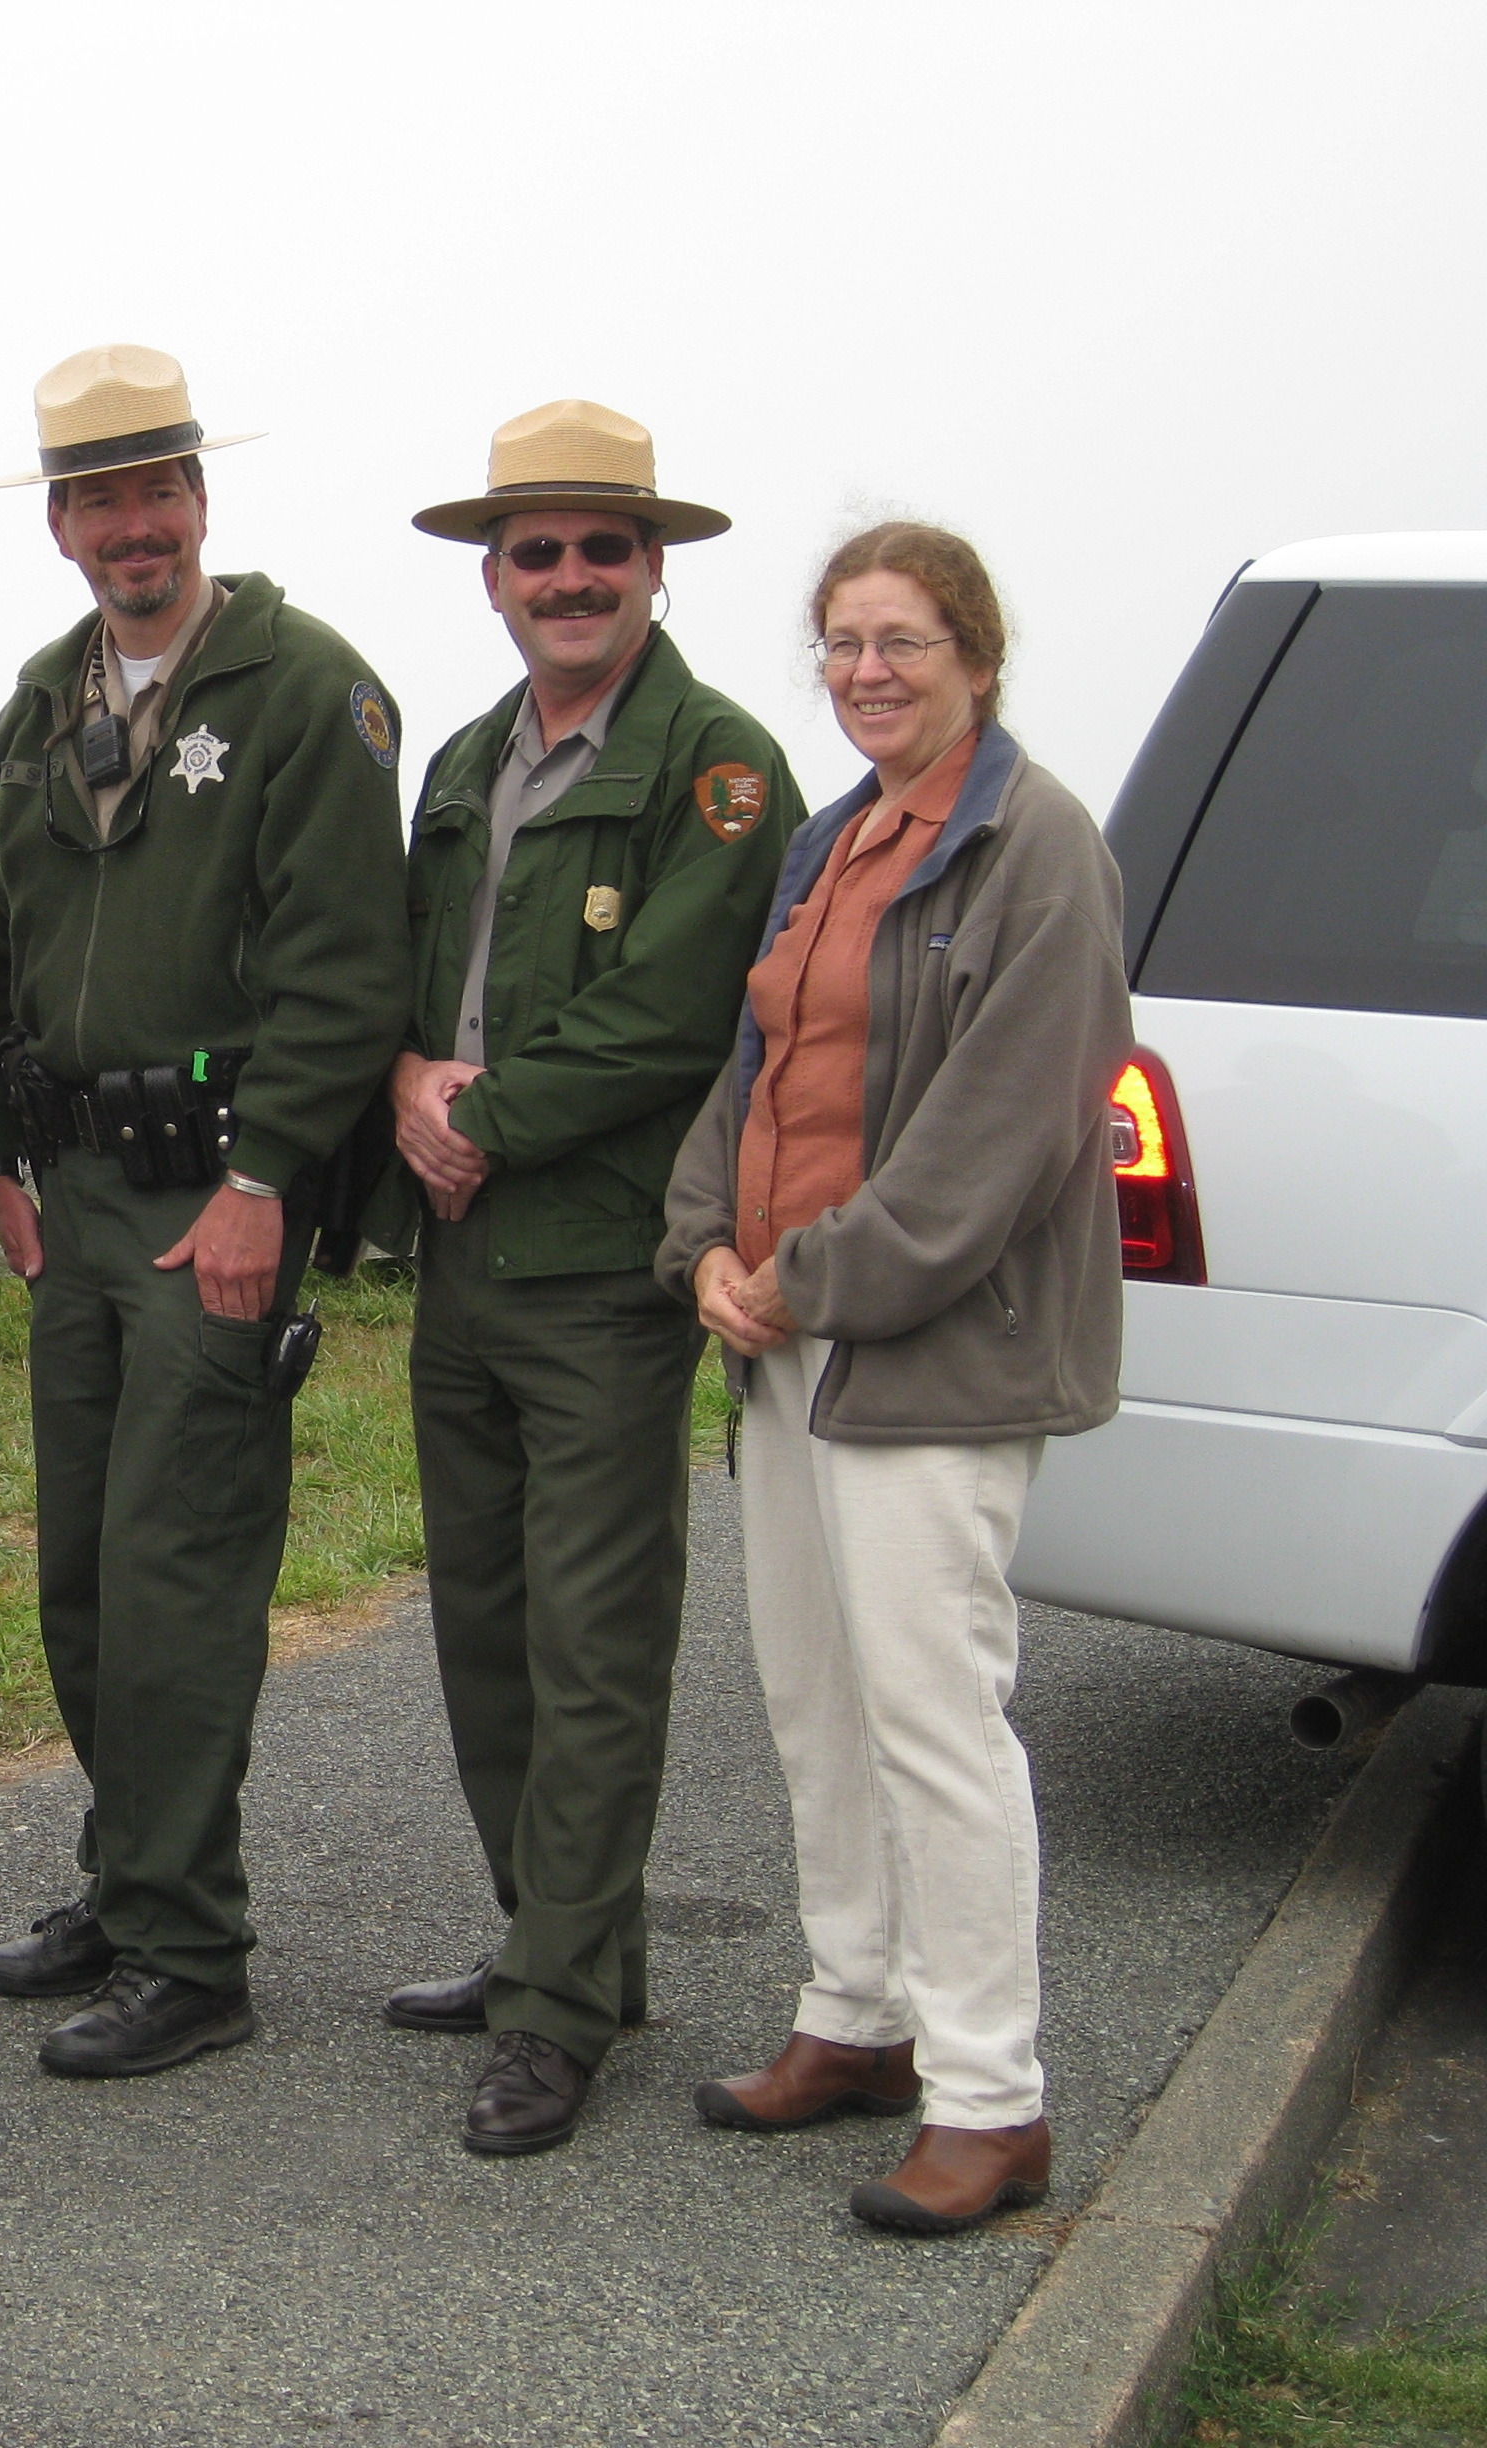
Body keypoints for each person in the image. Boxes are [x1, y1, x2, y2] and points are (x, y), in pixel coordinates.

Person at [662, 523, 1127, 2234]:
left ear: (977, 658)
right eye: (845, 642)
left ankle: (993, 2097)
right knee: (815, 1703)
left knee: (937, 1723)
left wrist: (807, 1277)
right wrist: (704, 1240)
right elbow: (759, 1062)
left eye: (905, 642)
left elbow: (995, 1140)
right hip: (786, 1341)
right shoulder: (831, 839)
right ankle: (855, 2017)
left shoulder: (1040, 849)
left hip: (930, 1356)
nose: (868, 670)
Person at [0, 345, 410, 2077]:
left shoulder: (304, 691)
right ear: (64, 523)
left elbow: (345, 969)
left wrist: (264, 1184)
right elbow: (3, 943)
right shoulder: (33, 701)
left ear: (201, 502)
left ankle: (191, 1950)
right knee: (80, 1571)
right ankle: (124, 1868)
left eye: (162, 490)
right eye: (101, 498)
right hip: (74, 1194)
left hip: (215, 1197)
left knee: (178, 1573)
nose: (134, 525)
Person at [377, 401, 801, 2156]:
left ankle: (558, 2019)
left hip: (604, 1269)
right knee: (484, 1629)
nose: (569, 576)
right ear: (493, 579)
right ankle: (562, 1944)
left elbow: (681, 1010)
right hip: (463, 1263)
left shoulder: (721, 764)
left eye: (601, 549)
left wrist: (492, 1116)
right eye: (536, 551)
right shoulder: (467, 760)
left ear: (654, 566)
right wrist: (405, 1084)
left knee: (597, 1645)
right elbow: (416, 974)